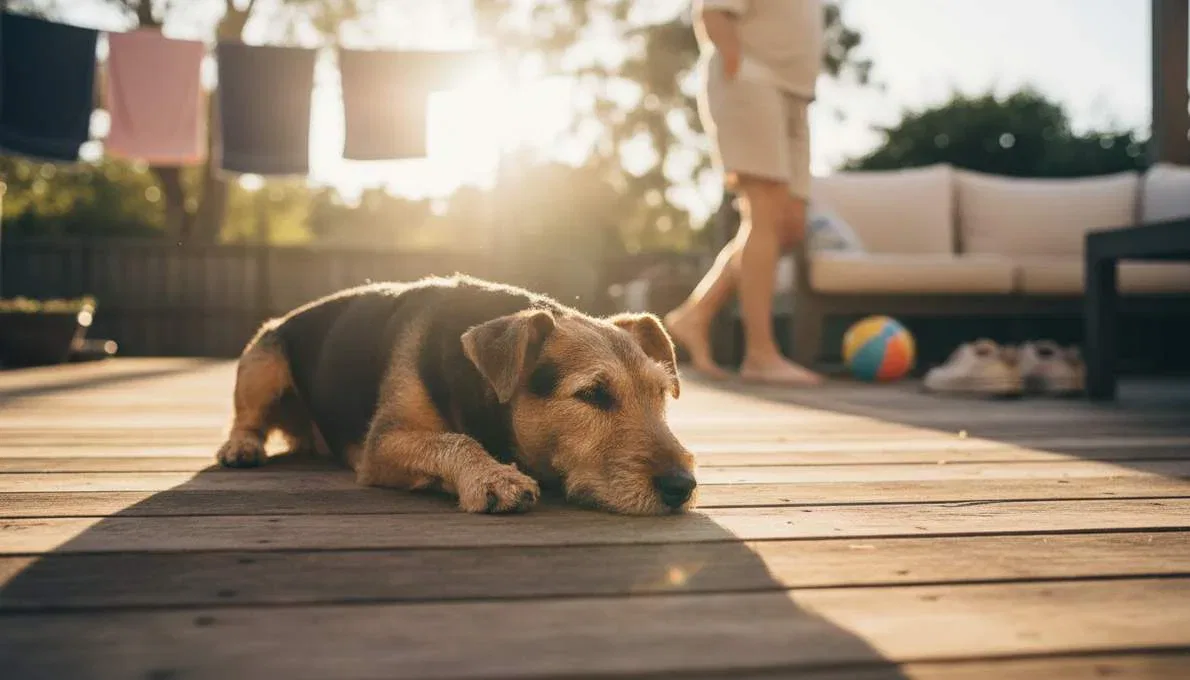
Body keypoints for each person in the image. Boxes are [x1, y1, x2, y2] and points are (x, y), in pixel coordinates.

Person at [664, 0, 825, 386]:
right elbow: (713, 11)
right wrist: (737, 64)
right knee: (763, 212)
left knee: (787, 224)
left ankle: (696, 314)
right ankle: (760, 354)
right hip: (753, 82)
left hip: (796, 96)